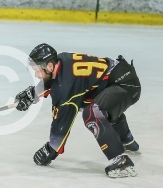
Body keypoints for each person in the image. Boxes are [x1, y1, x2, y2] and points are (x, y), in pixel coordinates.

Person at [14, 43, 141, 178]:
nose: (36, 74)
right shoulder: (60, 61)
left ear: (49, 66)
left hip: (125, 85)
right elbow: (56, 81)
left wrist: (52, 148)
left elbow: (62, 121)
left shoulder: (65, 88)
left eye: (37, 69)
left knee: (92, 112)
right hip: (117, 77)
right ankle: (126, 140)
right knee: (95, 103)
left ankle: (122, 162)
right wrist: (34, 94)